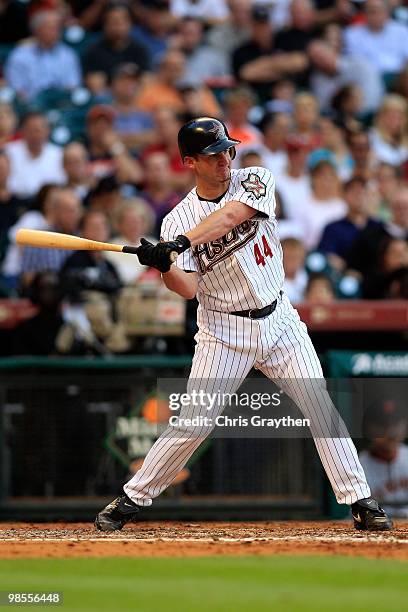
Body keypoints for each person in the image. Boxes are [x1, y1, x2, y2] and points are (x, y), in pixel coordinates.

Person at [95, 116, 392, 532]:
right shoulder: (176, 220)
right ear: (189, 162)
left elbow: (232, 216)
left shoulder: (254, 178)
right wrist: (164, 266)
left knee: (319, 404)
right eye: (213, 155)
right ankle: (130, 499)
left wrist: (180, 245)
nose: (224, 161)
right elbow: (186, 288)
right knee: (195, 421)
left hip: (280, 318)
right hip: (223, 330)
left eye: (226, 150)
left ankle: (360, 500)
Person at [4, 9, 81, 102]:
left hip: (62, 104)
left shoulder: (68, 54)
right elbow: (17, 90)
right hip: (31, 106)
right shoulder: (20, 55)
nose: (55, 32)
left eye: (58, 28)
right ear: (37, 30)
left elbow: (73, 86)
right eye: (50, 28)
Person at [359, 399, 408, 518]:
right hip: (374, 533)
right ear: (369, 428)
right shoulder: (357, 465)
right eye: (382, 425)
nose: (390, 431)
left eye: (395, 424)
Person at [5, 112, 65, 199]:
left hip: (49, 205)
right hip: (14, 203)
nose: (35, 135)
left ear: (48, 131)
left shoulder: (59, 154)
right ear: (22, 131)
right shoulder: (8, 152)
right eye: (30, 130)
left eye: (38, 130)